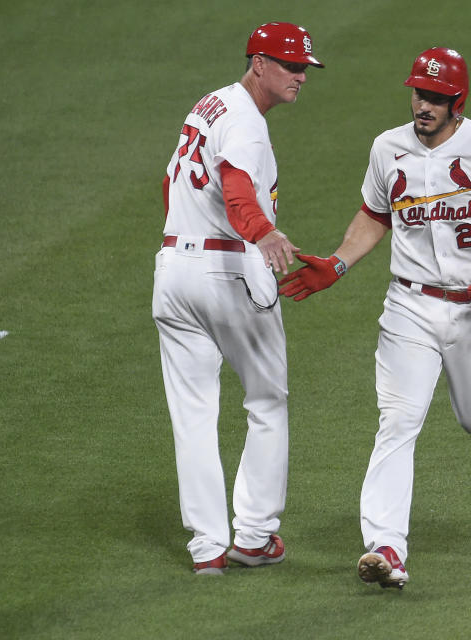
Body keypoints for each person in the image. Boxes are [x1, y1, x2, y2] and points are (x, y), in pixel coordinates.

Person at [278, 47, 471, 588]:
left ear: (457, 102)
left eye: (435, 97)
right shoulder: (387, 148)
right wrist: (339, 263)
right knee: (398, 422)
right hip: (408, 308)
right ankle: (387, 547)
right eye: (418, 93)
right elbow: (374, 212)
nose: (423, 105)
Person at [152, 22, 324, 575]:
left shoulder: (209, 104)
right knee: (267, 402)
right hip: (230, 268)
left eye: (304, 67)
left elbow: (169, 183)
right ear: (258, 64)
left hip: (174, 270)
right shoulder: (247, 126)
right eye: (290, 66)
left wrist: (187, 246)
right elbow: (237, 190)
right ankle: (253, 536)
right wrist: (263, 233)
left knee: (194, 415)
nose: (301, 76)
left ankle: (206, 548)